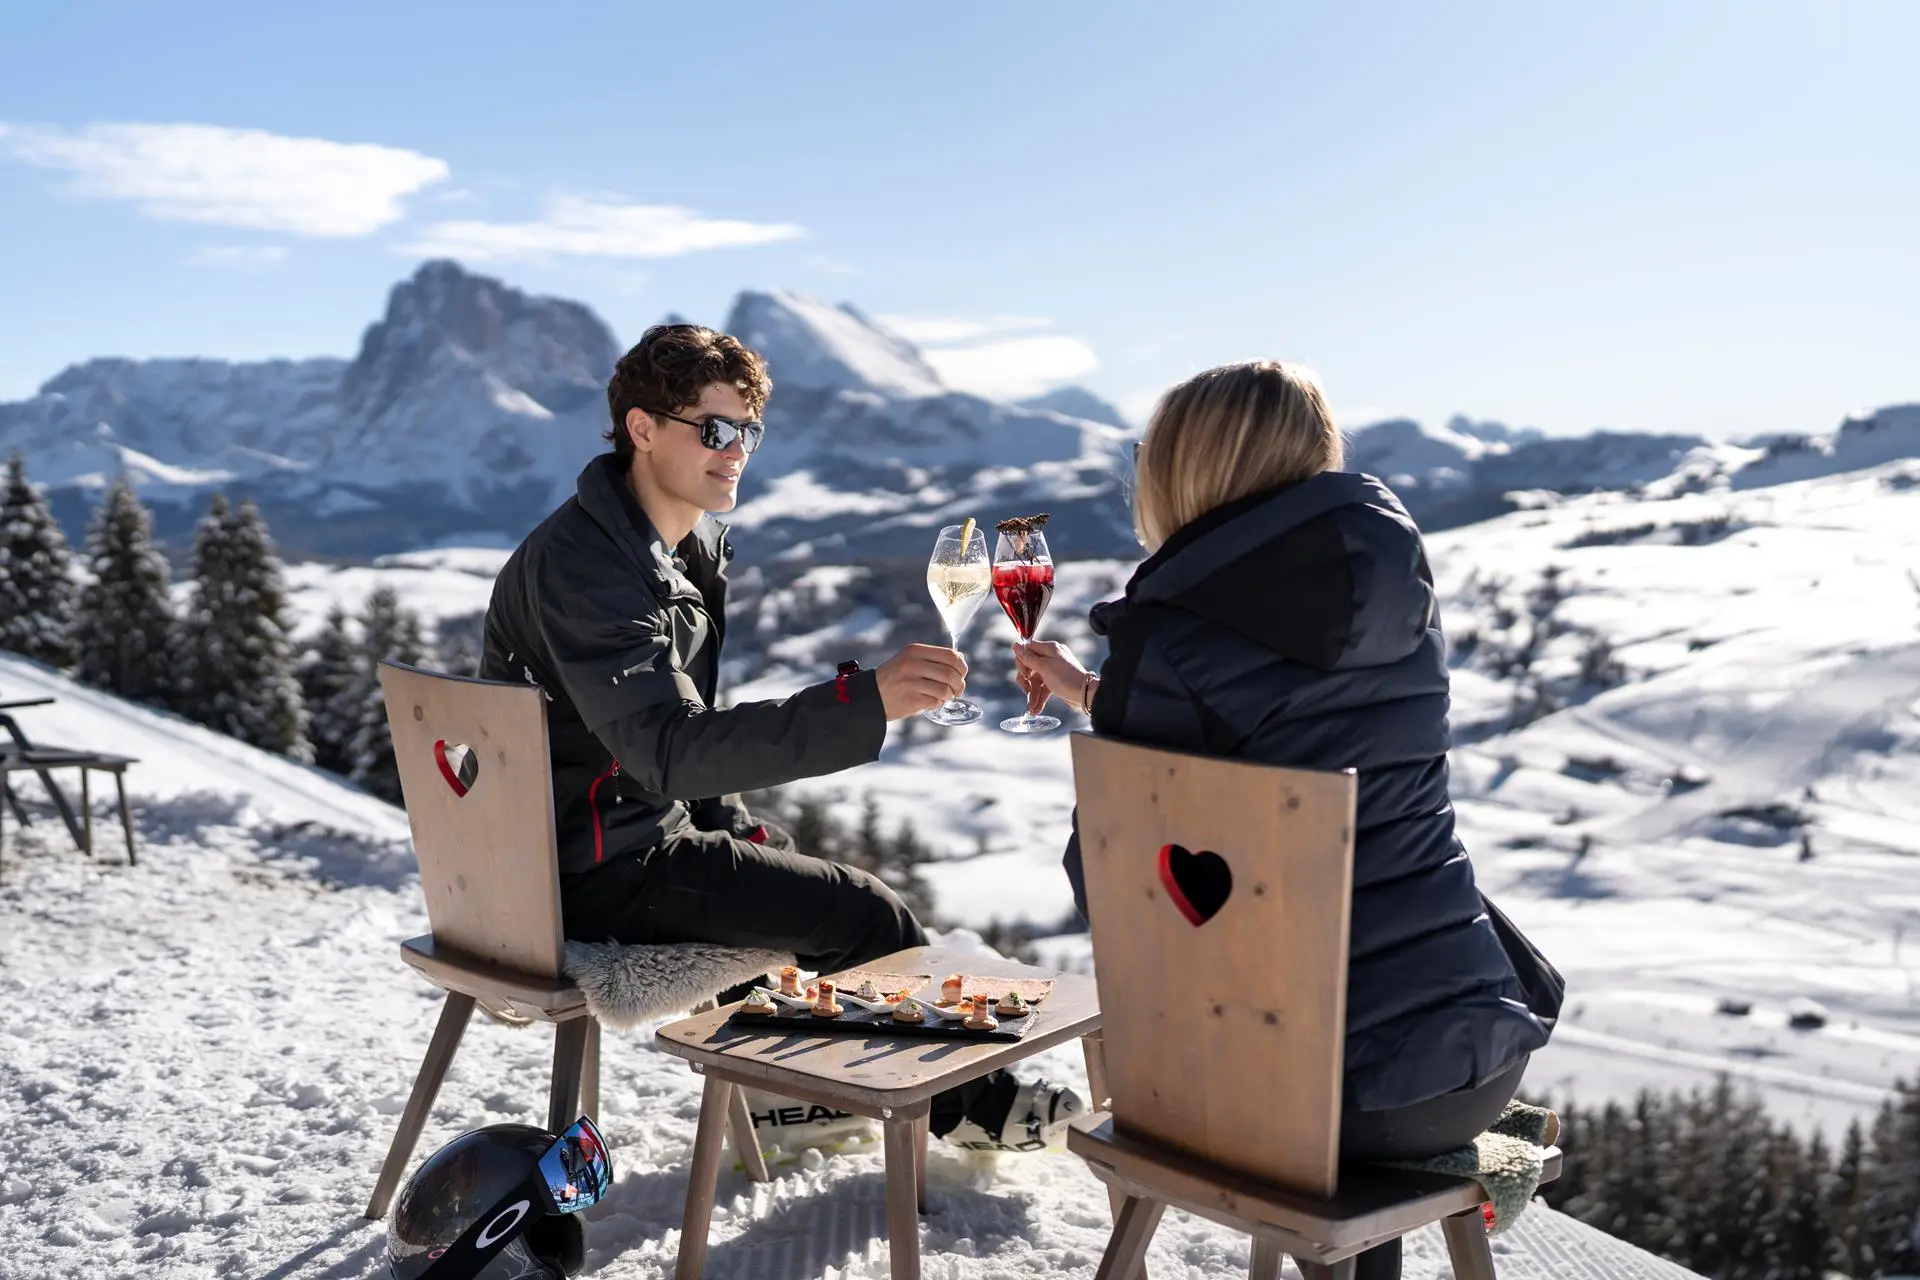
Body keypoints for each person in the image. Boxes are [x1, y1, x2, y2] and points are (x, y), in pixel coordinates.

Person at [1012, 361, 1554, 1280]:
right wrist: (1102, 695)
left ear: (1182, 469)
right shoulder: (1393, 593)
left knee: (1285, 1040)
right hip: (1472, 1050)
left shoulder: (1168, 634)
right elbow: (1290, 727)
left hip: (1321, 1088)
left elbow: (1116, 886)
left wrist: (1126, 699)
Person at [480, 322, 1080, 1150]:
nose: (736, 451)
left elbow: (660, 730)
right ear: (641, 428)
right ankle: (975, 1111)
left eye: (747, 432)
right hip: (586, 872)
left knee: (779, 858)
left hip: (602, 834)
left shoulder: (664, 545)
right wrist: (862, 702)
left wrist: (732, 824)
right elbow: (668, 747)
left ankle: (781, 1097)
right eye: (713, 429)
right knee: (866, 913)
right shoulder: (591, 568)